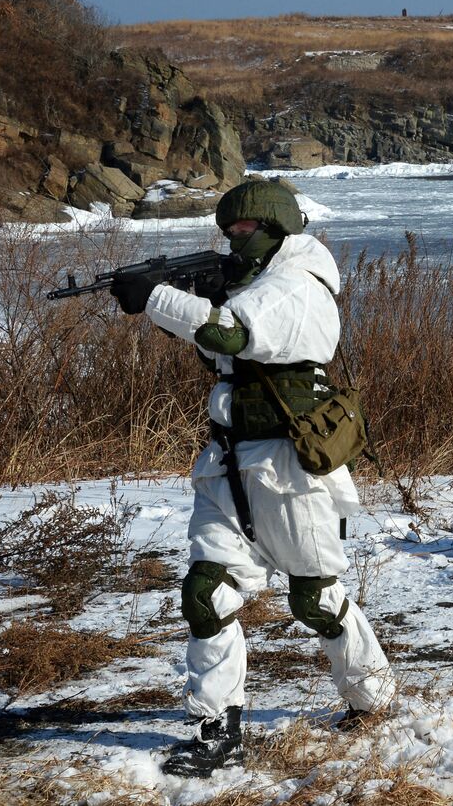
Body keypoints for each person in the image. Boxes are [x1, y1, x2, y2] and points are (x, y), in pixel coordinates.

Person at [109, 179, 395, 778]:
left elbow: (228, 333)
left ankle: (372, 698)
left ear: (277, 231)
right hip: (229, 464)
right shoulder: (256, 285)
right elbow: (216, 349)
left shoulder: (296, 288)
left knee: (315, 600)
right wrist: (181, 302)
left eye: (245, 231)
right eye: (229, 232)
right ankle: (217, 730)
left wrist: (160, 297)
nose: (234, 241)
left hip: (292, 473)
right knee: (205, 594)